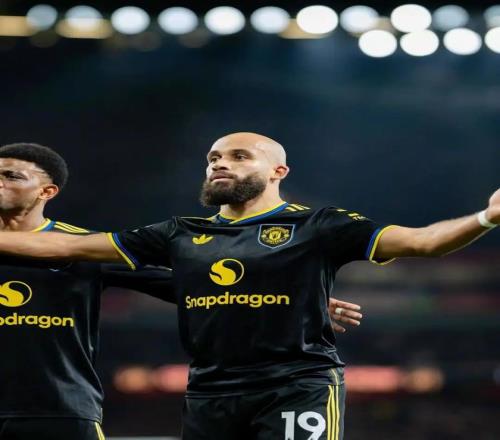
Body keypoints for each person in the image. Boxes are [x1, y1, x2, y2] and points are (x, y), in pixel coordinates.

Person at [1, 132, 493, 440]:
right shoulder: (178, 233)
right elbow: (61, 247)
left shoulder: (318, 225)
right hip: (208, 391)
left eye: (239, 156)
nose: (220, 163)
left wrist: (486, 217)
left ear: (278, 172)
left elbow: (424, 242)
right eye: (214, 157)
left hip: (295, 385)